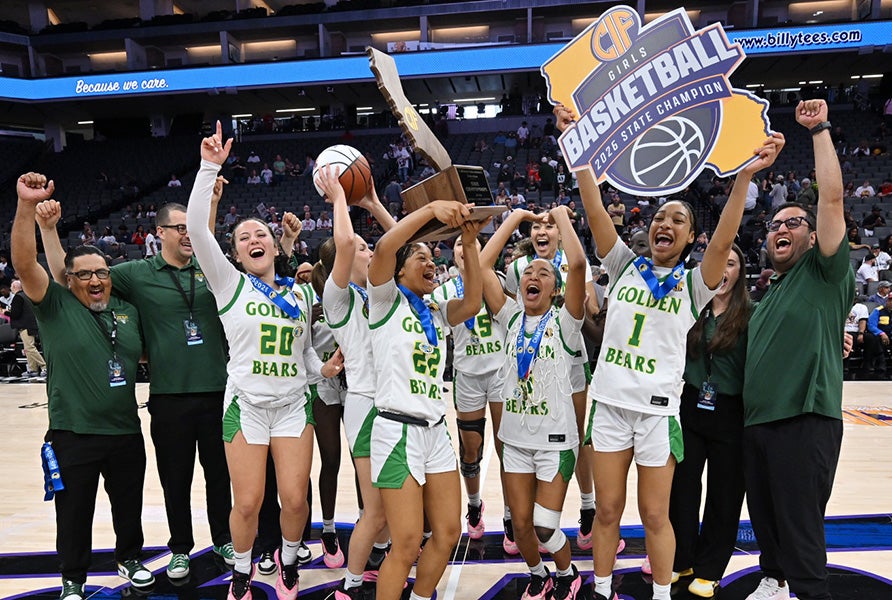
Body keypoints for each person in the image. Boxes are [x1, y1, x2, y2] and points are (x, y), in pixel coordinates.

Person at [557, 100, 783, 600]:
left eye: (677, 219)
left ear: (689, 237)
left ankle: (662, 595)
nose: (665, 223)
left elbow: (725, 241)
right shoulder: (623, 264)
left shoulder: (695, 283)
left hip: (658, 413)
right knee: (610, 512)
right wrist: (580, 153)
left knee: (657, 514)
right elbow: (594, 210)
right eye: (660, 215)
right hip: (611, 407)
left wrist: (744, 177)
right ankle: (599, 589)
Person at [36, 190, 238, 579]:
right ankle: (181, 548)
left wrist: (210, 207)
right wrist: (48, 231)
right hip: (167, 397)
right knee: (174, 480)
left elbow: (209, 240)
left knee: (220, 476)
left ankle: (224, 538)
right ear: (159, 232)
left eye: (190, 228)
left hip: (218, 391)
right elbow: (72, 278)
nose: (187, 235)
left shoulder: (213, 270)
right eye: (179, 228)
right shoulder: (133, 273)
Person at [185, 123, 344, 600]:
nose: (253, 239)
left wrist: (324, 370)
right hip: (246, 406)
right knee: (249, 502)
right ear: (234, 254)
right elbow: (196, 228)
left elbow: (306, 355)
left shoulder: (299, 292)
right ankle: (241, 572)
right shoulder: (229, 286)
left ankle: (290, 562)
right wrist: (208, 167)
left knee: (295, 498)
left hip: (294, 403)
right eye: (243, 238)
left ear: (275, 246)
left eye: (261, 234)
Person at [11, 172, 154, 600]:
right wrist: (27, 210)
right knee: (74, 513)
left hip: (126, 431)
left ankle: (130, 559)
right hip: (73, 432)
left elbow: (149, 354)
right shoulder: (55, 307)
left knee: (128, 507)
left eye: (103, 273)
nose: (96, 281)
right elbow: (24, 263)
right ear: (68, 280)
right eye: (85, 274)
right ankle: (73, 578)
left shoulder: (127, 312)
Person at [742, 100, 855, 600]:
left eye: (792, 223)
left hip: (804, 420)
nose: (781, 229)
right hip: (759, 425)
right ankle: (775, 582)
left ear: (812, 238)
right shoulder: (768, 293)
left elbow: (830, 200)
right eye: (773, 226)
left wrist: (819, 130)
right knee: (769, 531)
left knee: (802, 534)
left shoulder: (824, 273)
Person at [367, 199, 486, 600]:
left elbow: (472, 303)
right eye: (419, 256)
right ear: (400, 270)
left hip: (435, 431)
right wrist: (433, 209)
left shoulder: (436, 310)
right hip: (397, 430)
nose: (430, 260)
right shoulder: (384, 300)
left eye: (432, 255)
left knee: (449, 531)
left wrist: (469, 242)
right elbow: (384, 248)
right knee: (406, 542)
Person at [481, 205, 587, 599]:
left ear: (555, 289)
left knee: (545, 524)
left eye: (544, 273)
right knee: (521, 525)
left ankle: (567, 573)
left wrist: (560, 218)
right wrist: (516, 218)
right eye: (528, 272)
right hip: (515, 440)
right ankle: (538, 574)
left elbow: (576, 265)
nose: (534, 275)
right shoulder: (508, 315)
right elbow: (480, 262)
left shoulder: (565, 321)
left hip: (556, 441)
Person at [312, 166, 397, 598]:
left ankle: (381, 557)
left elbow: (401, 241)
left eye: (369, 247)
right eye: (365, 248)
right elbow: (344, 242)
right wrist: (340, 198)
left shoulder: (383, 295)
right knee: (376, 509)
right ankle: (347, 586)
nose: (369, 251)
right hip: (367, 407)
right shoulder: (338, 298)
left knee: (394, 512)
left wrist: (373, 203)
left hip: (402, 407)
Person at [669, 245, 751, 599]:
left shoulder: (752, 313)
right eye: (718, 263)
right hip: (690, 404)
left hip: (731, 411)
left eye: (731, 263)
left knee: (725, 492)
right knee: (681, 487)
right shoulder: (690, 308)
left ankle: (710, 568)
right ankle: (683, 557)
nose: (723, 269)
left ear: (739, 273)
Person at [433, 228, 509, 547]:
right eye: (462, 248)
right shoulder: (443, 291)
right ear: (454, 256)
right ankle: (475, 505)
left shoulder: (499, 281)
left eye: (473, 246)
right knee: (470, 451)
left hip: (502, 371)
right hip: (467, 375)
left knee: (509, 449)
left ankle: (511, 515)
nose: (467, 250)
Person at [7, 278, 46, 377]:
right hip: (30, 325)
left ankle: (44, 366)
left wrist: (6, 312)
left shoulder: (18, 297)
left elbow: (15, 314)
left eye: (12, 287)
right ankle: (32, 369)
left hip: (25, 326)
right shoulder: (26, 296)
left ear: (15, 287)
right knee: (27, 348)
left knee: (30, 348)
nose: (11, 288)